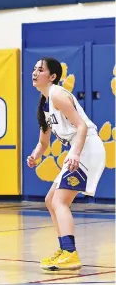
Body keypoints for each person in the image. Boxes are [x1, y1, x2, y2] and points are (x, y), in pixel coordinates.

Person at [27, 57, 106, 271]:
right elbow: (44, 142)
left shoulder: (58, 94)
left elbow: (81, 126)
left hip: (87, 148)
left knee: (59, 201)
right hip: (79, 149)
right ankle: (64, 249)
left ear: (52, 76)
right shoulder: (44, 103)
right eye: (34, 69)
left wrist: (76, 153)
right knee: (50, 199)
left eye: (40, 70)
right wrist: (35, 156)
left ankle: (71, 253)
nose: (35, 72)